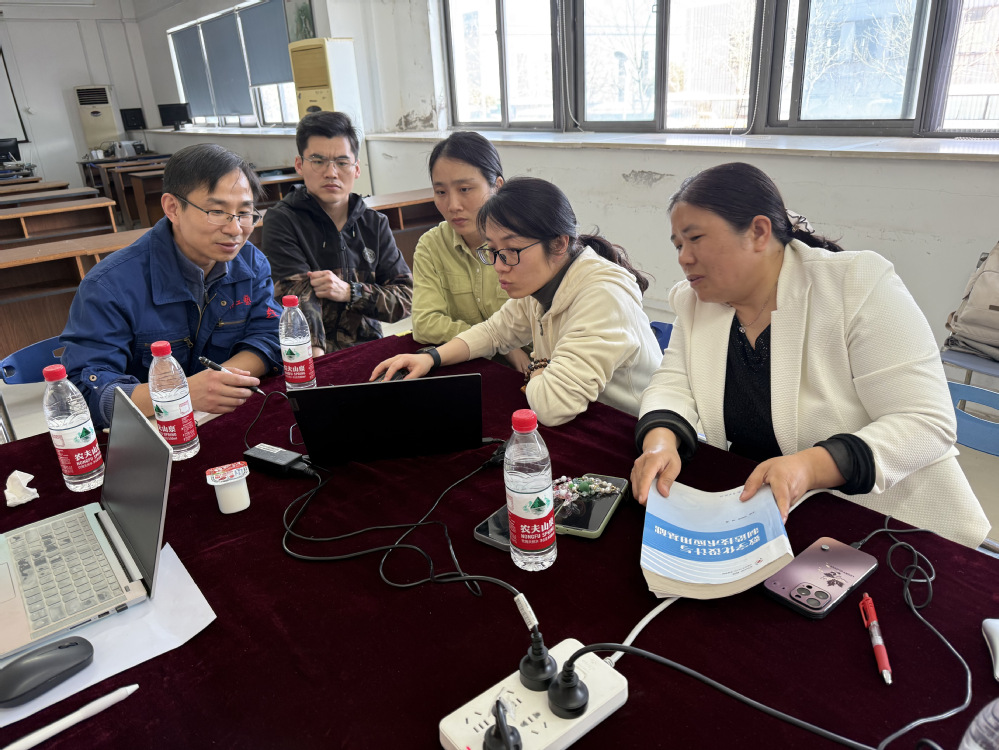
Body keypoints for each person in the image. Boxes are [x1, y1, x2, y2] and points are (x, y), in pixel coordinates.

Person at [630, 162, 990, 548]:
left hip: (895, 523)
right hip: (775, 515)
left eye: (695, 239)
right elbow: (674, 382)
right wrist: (661, 440)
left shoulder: (855, 284)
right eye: (678, 245)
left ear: (758, 232)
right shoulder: (695, 302)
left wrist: (810, 467)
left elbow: (926, 423)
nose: (684, 258)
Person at [372, 177, 663, 427]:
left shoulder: (602, 297)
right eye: (492, 250)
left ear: (559, 243)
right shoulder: (546, 282)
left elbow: (552, 406)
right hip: (586, 417)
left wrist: (538, 365)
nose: (498, 265)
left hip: (629, 428)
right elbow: (494, 332)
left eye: (511, 250)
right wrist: (431, 357)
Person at [60, 143, 282, 430]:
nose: (235, 229)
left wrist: (218, 382)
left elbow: (268, 334)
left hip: (223, 418)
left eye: (244, 213)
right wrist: (181, 393)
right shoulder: (108, 285)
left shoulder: (251, 262)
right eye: (217, 211)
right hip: (149, 434)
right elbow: (84, 392)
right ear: (173, 208)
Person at [261, 111, 412, 355]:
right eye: (318, 161)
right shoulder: (283, 220)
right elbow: (297, 298)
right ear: (299, 165)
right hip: (312, 356)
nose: (331, 172)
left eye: (342, 163)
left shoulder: (374, 224)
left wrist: (350, 292)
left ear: (356, 168)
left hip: (368, 351)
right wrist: (318, 363)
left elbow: (406, 298)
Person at [411, 131, 529, 373]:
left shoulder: (527, 242)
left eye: (465, 189)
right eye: (441, 192)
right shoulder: (431, 246)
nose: (453, 205)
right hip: (467, 367)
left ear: (497, 186)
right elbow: (424, 324)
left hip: (532, 368)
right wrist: (500, 343)